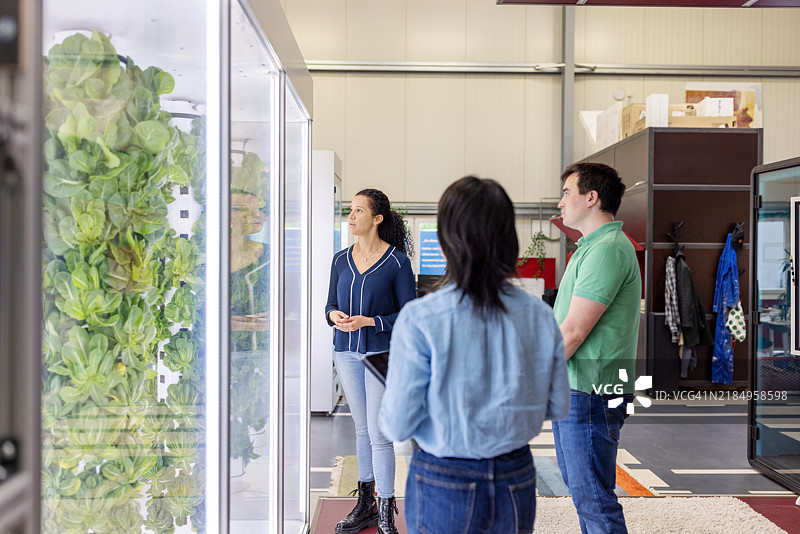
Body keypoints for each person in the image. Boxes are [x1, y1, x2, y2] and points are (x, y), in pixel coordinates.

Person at [379, 176, 570, 534]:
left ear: (447, 239)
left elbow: (397, 423)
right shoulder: (540, 315)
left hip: (443, 475)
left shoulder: (421, 318)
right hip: (516, 476)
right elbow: (558, 406)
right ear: (508, 239)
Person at [552, 162, 642, 534]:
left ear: (592, 198)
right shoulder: (591, 248)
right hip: (577, 386)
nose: (560, 203)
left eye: (567, 193)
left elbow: (573, 332)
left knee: (594, 499)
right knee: (584, 491)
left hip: (591, 391)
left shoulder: (606, 250)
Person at [325, 188, 416, 534]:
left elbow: (408, 315)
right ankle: (365, 505)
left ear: (377, 219)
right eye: (350, 210)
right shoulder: (339, 260)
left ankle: (386, 510)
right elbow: (328, 305)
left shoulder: (397, 263)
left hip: (381, 353)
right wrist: (334, 315)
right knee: (361, 429)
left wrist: (371, 321)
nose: (351, 216)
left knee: (379, 433)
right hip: (345, 351)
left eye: (358, 210)